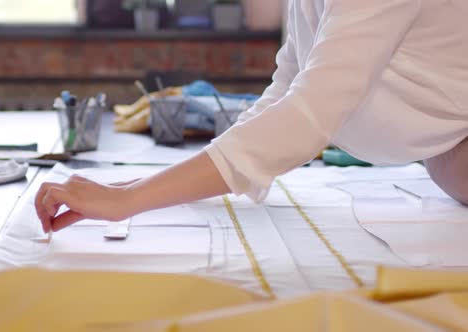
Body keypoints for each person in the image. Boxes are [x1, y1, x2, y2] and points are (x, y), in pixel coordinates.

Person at [36, 0, 468, 233]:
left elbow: (307, 116)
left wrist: (128, 203)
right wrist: (138, 186)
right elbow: (284, 94)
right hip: (450, 149)